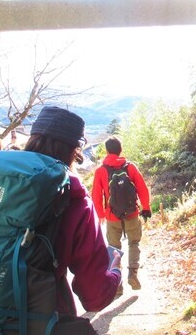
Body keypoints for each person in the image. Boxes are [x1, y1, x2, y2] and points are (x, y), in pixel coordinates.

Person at [24, 106, 122, 318]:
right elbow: (94, 296)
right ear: (74, 152)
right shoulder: (72, 198)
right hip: (38, 318)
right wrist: (114, 273)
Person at [91, 135, 151, 293]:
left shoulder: (101, 171)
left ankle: (117, 284)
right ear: (120, 150)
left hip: (112, 215)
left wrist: (100, 214)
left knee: (113, 247)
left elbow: (96, 195)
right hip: (132, 212)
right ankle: (133, 273)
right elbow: (142, 188)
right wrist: (146, 207)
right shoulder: (130, 167)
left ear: (107, 150)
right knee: (133, 243)